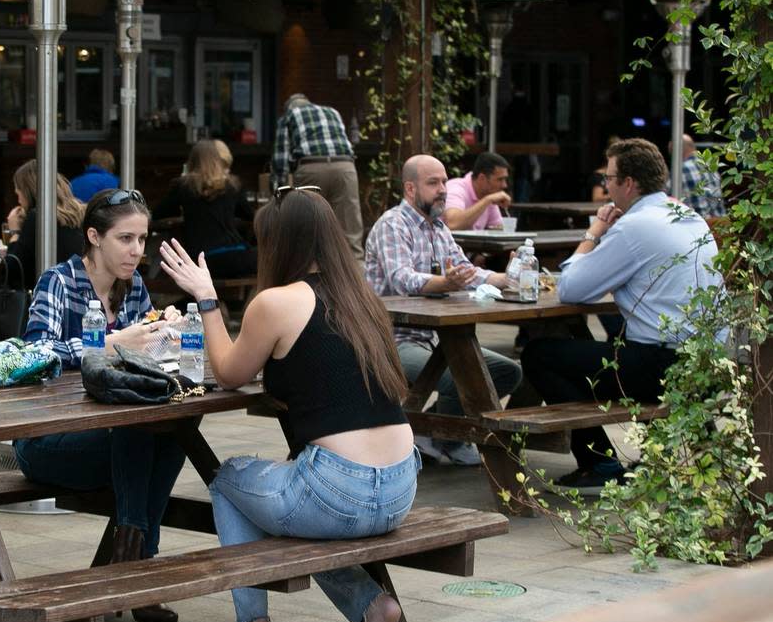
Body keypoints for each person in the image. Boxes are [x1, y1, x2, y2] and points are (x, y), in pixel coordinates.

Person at [158, 187, 419, 622]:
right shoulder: (364, 301)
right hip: (401, 487)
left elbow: (230, 372)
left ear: (279, 242)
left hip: (340, 492)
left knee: (228, 480)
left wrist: (207, 298)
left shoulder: (275, 302)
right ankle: (374, 609)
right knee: (295, 503)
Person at [17, 188, 185, 622]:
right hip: (47, 440)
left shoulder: (136, 289)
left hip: (111, 437)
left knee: (172, 427)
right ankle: (137, 566)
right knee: (137, 426)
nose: (136, 251)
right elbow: (37, 353)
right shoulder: (59, 280)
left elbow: (149, 361)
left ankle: (131, 557)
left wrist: (170, 334)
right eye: (125, 239)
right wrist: (112, 343)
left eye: (142, 239)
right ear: (94, 236)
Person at [523, 138, 722, 492]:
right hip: (707, 363)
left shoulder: (634, 227)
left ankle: (599, 463)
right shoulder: (688, 215)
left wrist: (594, 231)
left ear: (629, 183)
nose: (606, 186)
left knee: (539, 354)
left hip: (664, 366)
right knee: (596, 346)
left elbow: (570, 288)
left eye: (609, 179)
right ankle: (674, 456)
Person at [364, 155, 523, 467]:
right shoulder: (392, 225)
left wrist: (507, 279)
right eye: (433, 183)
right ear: (410, 188)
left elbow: (465, 270)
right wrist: (444, 282)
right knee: (462, 376)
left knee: (509, 372)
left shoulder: (438, 227)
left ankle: (436, 435)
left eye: (444, 182)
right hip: (393, 339)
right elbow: (402, 279)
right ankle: (436, 435)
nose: (442, 189)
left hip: (438, 338)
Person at [271, 93, 365, 261]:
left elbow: (281, 158)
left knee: (310, 227)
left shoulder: (289, 116)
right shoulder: (332, 112)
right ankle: (357, 276)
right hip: (345, 168)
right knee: (349, 230)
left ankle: (311, 281)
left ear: (289, 107)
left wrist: (278, 191)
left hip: (311, 168)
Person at [153, 139, 257, 279]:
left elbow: (158, 214)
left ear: (192, 162)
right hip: (238, 256)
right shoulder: (231, 185)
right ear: (217, 161)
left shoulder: (184, 186)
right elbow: (250, 215)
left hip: (204, 260)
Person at [4, 159, 85, 286]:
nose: (18, 200)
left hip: (47, 296)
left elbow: (13, 269)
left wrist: (15, 232)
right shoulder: (80, 212)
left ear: (27, 191)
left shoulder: (38, 217)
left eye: (18, 193)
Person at [441, 152, 512, 231]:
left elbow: (498, 229)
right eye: (500, 179)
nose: (504, 185)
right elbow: (452, 224)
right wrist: (487, 200)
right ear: (482, 178)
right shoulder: (456, 189)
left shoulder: (488, 195)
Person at [678, 134, 726, 218]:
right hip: (720, 225)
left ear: (677, 151)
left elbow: (666, 198)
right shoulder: (710, 167)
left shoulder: (681, 170)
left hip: (697, 225)